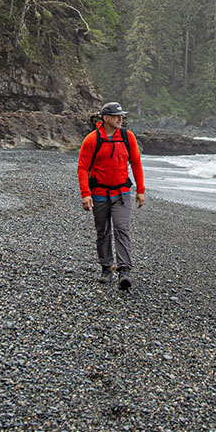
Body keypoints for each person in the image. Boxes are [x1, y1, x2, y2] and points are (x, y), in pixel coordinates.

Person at [78, 101, 145, 290]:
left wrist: (141, 190)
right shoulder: (92, 139)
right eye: (116, 116)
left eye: (121, 116)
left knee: (122, 228)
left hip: (122, 193)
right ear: (106, 118)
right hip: (98, 194)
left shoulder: (127, 137)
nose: (120, 119)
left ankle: (124, 270)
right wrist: (85, 194)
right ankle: (106, 268)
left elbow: (136, 163)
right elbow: (82, 167)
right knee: (103, 232)